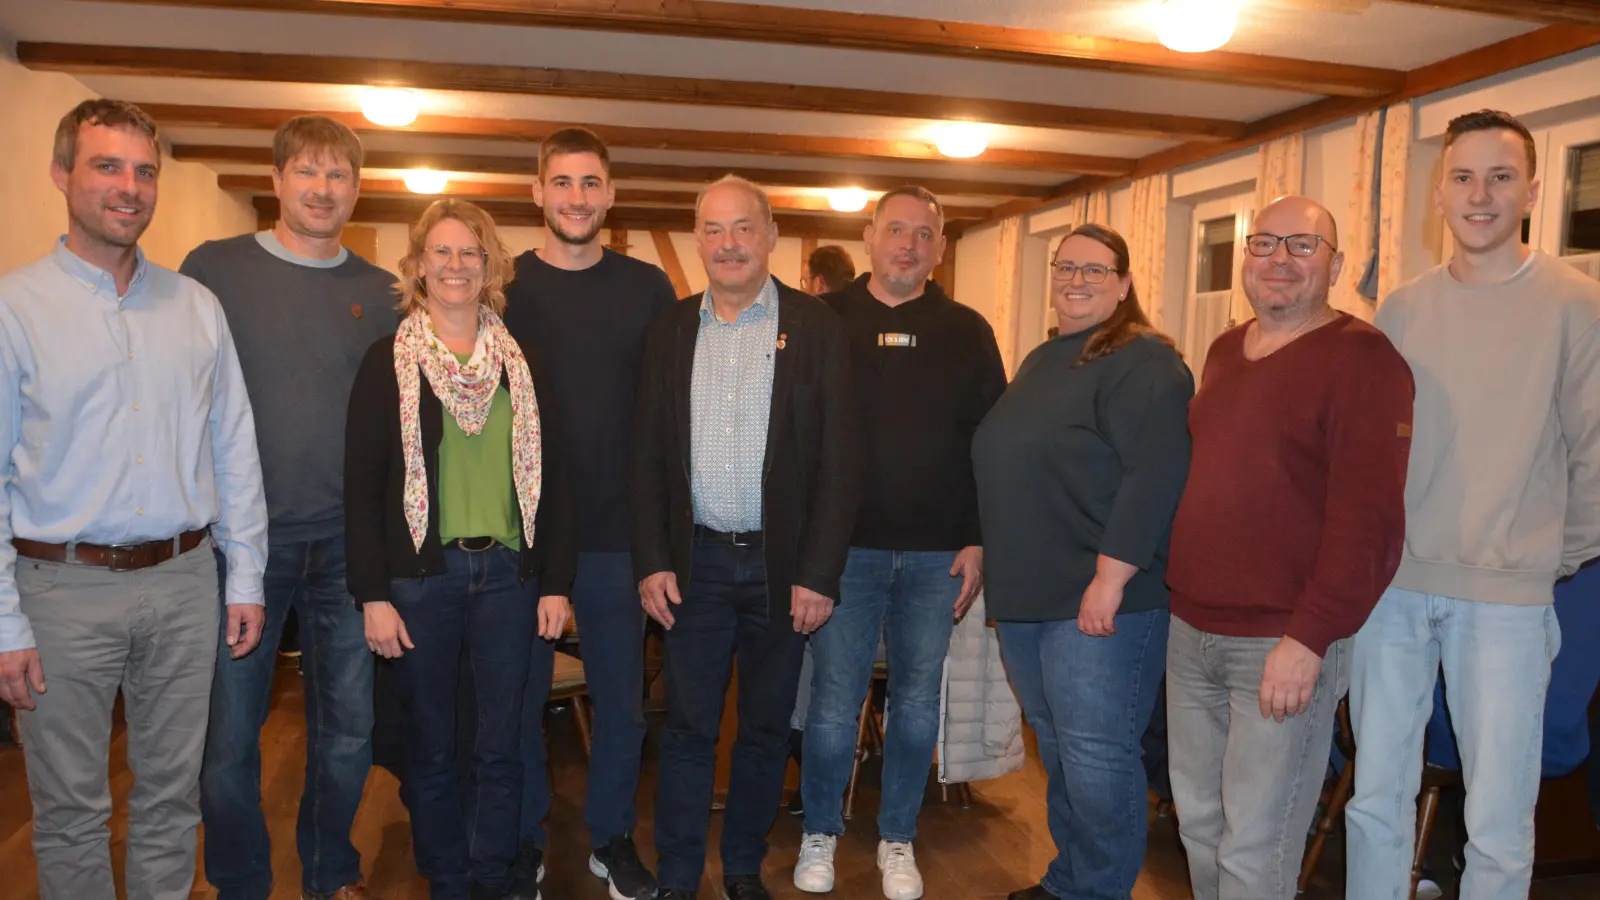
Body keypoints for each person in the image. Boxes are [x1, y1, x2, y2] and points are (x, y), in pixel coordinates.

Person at [0, 99, 269, 900]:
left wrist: (246, 575)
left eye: (144, 170)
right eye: (107, 166)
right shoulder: (15, 308)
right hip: (59, 590)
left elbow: (234, 446)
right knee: (71, 809)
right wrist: (4, 620)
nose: (129, 187)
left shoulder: (196, 307)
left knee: (170, 799)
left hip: (184, 583)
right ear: (62, 175)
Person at [1345, 109, 1600, 900]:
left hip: (1508, 602)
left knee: (1497, 820)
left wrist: (1536, 565)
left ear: (1528, 191)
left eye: (1499, 177)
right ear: (1438, 194)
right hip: (1394, 593)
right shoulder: (1402, 307)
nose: (1479, 194)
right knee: (1374, 798)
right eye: (1462, 177)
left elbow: (1595, 453)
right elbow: (1375, 446)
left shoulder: (1576, 303)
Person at [1164, 196, 1414, 900]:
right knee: (1201, 827)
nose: (1280, 258)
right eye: (1265, 242)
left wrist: (1308, 639)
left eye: (1303, 245)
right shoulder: (1223, 350)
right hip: (1192, 632)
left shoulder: (1364, 359)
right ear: (1245, 256)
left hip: (1280, 643)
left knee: (1255, 848)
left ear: (1334, 263)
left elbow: (1369, 523)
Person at [184, 114, 396, 900]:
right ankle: (240, 882)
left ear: (357, 189)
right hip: (240, 546)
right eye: (307, 171)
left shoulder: (381, 292)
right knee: (230, 739)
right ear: (275, 180)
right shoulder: (214, 269)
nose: (322, 188)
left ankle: (329, 871)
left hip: (348, 546)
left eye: (339, 175)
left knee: (348, 735)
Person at [630, 175, 858, 900]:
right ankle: (675, 875)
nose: (728, 244)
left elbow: (840, 460)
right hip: (691, 565)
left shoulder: (816, 329)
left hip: (779, 569)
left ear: (769, 236)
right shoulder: (668, 330)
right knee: (689, 730)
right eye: (713, 229)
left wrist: (819, 572)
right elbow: (645, 458)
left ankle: (740, 868)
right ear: (699, 238)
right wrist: (651, 561)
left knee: (763, 730)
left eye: (742, 228)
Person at [344, 199, 576, 900]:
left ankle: (493, 872)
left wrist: (556, 582)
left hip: (510, 575)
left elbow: (557, 478)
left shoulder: (520, 364)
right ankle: (446, 877)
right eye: (440, 253)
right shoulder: (386, 362)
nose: (454, 266)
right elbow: (360, 486)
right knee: (432, 747)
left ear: (490, 267)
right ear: (417, 267)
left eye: (469, 253)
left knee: (504, 742)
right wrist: (374, 595)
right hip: (422, 579)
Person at [792, 185, 1004, 900]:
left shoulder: (969, 330)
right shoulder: (823, 321)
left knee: (917, 706)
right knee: (831, 705)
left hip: (935, 557)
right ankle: (819, 828)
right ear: (869, 236)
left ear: (940, 248)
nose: (908, 244)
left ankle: (898, 837)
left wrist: (978, 540)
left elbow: (992, 445)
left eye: (923, 234)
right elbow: (793, 440)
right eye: (895, 230)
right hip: (841, 555)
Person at [972, 224, 1193, 900]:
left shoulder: (1146, 362)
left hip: (1098, 598)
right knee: (1062, 750)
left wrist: (1109, 580)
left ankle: (1097, 889)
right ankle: (1071, 878)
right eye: (1067, 267)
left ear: (1125, 284)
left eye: (1095, 270)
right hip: (1029, 595)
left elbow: (1155, 475)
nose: (1077, 280)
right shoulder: (1048, 357)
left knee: (1098, 758)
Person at [501, 126, 676, 900]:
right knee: (519, 699)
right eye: (561, 182)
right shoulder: (502, 286)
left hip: (618, 535)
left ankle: (610, 837)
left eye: (589, 183)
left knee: (620, 702)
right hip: (522, 538)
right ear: (537, 192)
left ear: (610, 194)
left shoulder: (646, 289)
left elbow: (669, 415)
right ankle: (523, 840)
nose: (575, 197)